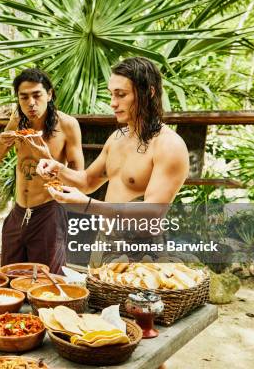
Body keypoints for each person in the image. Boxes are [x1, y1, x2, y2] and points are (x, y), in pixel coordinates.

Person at [37, 57, 189, 265]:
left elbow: (153, 211)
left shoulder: (169, 145)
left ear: (149, 93)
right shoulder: (116, 138)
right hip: (104, 241)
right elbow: (88, 181)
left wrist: (89, 205)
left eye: (121, 94)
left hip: (142, 250)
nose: (113, 103)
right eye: (111, 94)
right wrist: (58, 169)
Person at [0, 68, 84, 274]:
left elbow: (79, 178)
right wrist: (2, 144)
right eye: (24, 97)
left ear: (50, 94)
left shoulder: (67, 125)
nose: (31, 103)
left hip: (48, 212)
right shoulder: (17, 122)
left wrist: (46, 158)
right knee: (10, 279)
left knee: (47, 282)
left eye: (37, 95)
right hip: (18, 212)